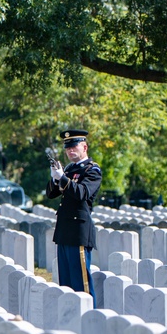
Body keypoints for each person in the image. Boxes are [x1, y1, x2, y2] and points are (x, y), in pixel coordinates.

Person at [47, 129, 101, 306]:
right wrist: (55, 178)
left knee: (81, 285)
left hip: (79, 232)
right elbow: (51, 194)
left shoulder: (92, 170)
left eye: (74, 147)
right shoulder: (70, 169)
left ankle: (88, 319)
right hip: (64, 231)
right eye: (67, 148)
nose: (70, 151)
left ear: (84, 147)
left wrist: (63, 179)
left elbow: (82, 193)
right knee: (66, 284)